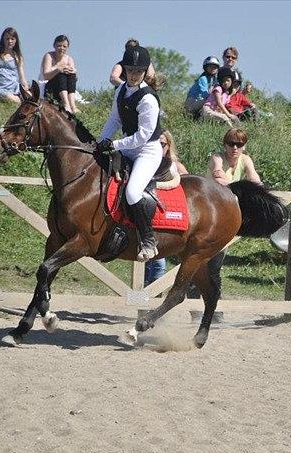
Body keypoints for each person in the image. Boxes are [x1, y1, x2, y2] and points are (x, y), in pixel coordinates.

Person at [97, 45, 163, 262]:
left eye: (138, 71)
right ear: (124, 70)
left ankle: (148, 240)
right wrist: (100, 142)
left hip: (147, 151)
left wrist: (114, 144)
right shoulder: (120, 91)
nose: (133, 75)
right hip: (126, 147)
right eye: (130, 70)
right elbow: (114, 120)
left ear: (144, 72)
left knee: (133, 192)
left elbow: (143, 136)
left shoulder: (148, 99)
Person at [188, 128, 262, 322]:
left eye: (239, 144)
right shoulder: (217, 158)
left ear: (244, 146)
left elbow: (256, 180)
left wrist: (254, 189)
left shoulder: (246, 160)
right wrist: (246, 189)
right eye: (231, 143)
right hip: (207, 217)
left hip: (224, 219)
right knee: (199, 262)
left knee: (215, 266)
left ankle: (214, 308)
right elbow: (220, 179)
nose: (235, 148)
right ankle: (195, 308)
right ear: (225, 144)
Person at [144, 130, 188, 286]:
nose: (158, 148)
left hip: (165, 217)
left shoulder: (175, 166)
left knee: (158, 262)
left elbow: (187, 189)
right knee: (145, 261)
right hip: (146, 214)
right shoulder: (144, 162)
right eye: (155, 144)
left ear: (168, 146)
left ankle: (151, 297)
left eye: (162, 144)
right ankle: (141, 299)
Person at [41, 34, 78, 113]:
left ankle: (73, 105)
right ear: (54, 46)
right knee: (60, 74)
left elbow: (74, 78)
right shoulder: (49, 56)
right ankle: (66, 104)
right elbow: (45, 76)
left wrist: (72, 71)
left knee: (71, 74)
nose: (62, 48)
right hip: (49, 87)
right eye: (59, 46)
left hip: (64, 87)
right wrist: (58, 69)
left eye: (64, 46)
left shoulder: (69, 59)